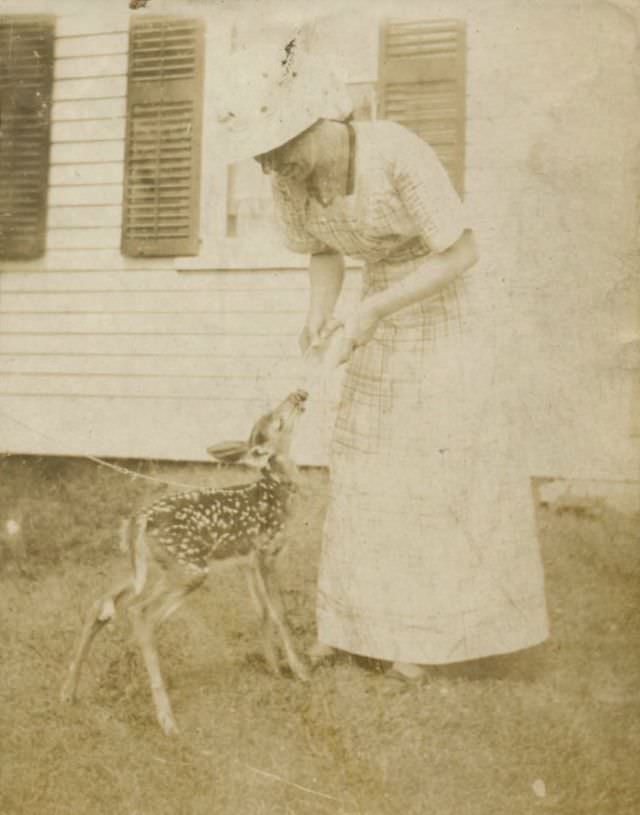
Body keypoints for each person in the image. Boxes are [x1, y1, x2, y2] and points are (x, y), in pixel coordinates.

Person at [213, 45, 549, 681]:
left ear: (313, 121)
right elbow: (321, 253)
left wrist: (374, 310)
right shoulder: (290, 182)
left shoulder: (395, 151)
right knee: (364, 470)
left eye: (274, 146)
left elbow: (461, 252)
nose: (267, 165)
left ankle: (426, 643)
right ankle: (351, 628)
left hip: (448, 315)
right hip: (379, 314)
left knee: (434, 475)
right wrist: (321, 313)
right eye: (259, 153)